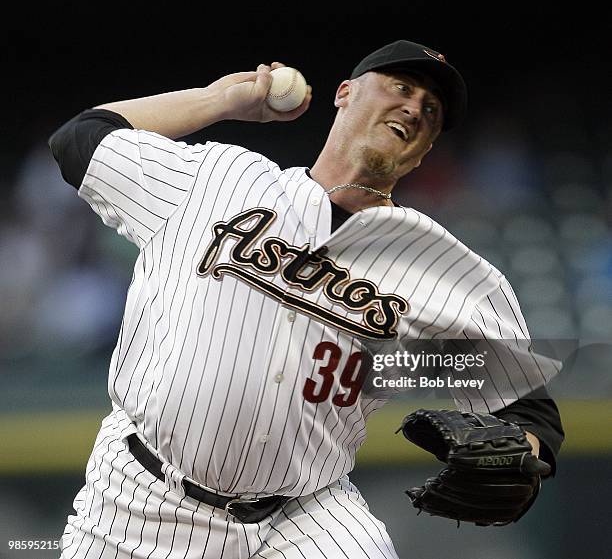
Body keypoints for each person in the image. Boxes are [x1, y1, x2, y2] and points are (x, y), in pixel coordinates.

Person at [49, 40, 564, 559]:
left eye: (432, 111)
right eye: (402, 88)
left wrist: (524, 455)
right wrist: (218, 101)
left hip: (304, 515)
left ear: (424, 148)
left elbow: (528, 408)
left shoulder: (444, 269)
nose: (415, 108)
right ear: (344, 93)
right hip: (142, 497)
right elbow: (82, 140)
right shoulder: (216, 179)